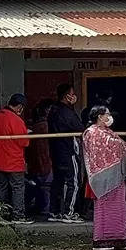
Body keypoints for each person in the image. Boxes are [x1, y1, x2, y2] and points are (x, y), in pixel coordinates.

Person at [82, 106, 126, 250]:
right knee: (104, 208)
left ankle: (120, 239)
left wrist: (122, 145)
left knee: (119, 207)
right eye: (107, 114)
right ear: (100, 116)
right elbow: (103, 149)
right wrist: (122, 145)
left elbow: (118, 144)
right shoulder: (92, 132)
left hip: (117, 176)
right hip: (102, 177)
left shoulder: (106, 131)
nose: (109, 117)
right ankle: (103, 240)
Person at [0, 94, 32, 223]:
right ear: (19, 107)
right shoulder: (16, 120)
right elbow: (24, 142)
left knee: (0, 187)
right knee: (17, 187)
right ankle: (18, 215)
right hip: (13, 160)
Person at [48, 83, 85, 223]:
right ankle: (70, 212)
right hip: (68, 151)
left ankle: (54, 211)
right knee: (73, 182)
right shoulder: (67, 112)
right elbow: (79, 128)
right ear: (67, 96)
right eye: (72, 93)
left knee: (58, 181)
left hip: (56, 151)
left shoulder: (53, 111)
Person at [27, 100, 55, 218]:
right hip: (45, 161)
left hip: (34, 162)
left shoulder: (34, 127)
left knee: (39, 186)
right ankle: (45, 211)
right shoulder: (46, 126)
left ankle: (40, 209)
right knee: (45, 187)